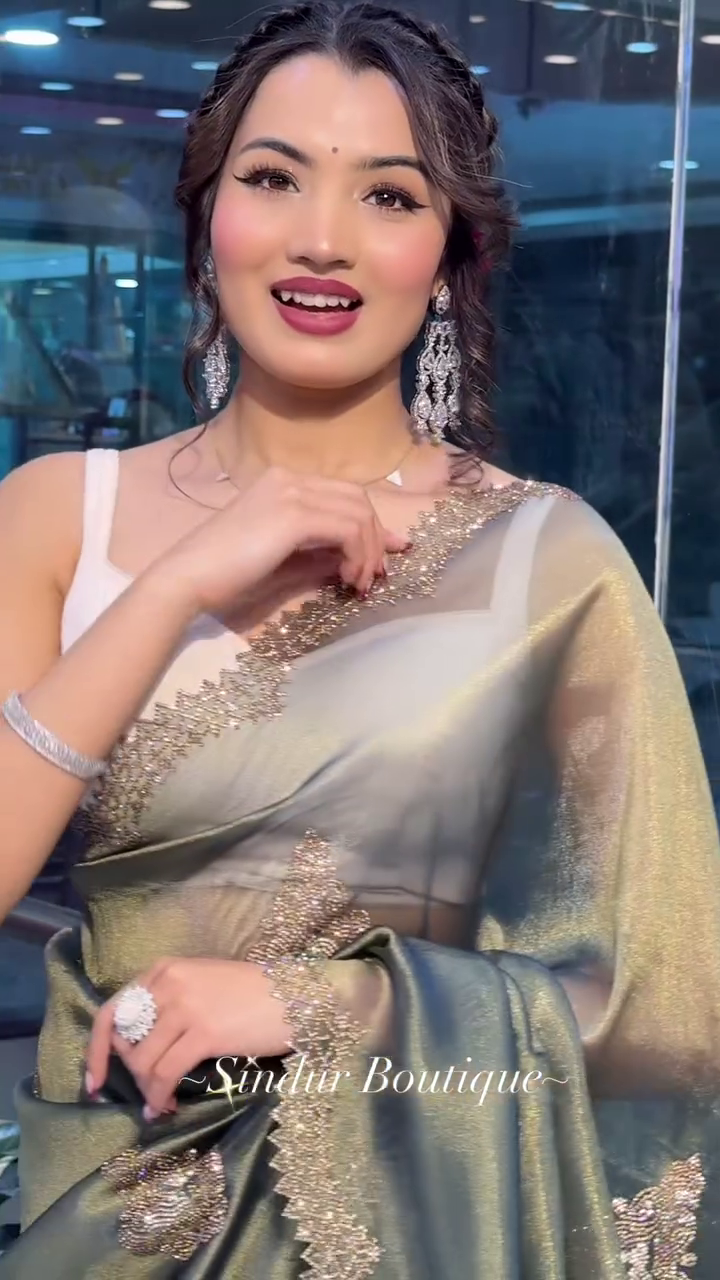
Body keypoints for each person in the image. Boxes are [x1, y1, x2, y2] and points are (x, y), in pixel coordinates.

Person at [0, 3, 719, 1276]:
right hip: (106, 1196)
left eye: (389, 195)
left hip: (414, 1216)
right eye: (273, 177)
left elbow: (666, 996)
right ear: (206, 215)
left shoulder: (545, 558)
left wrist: (323, 1003)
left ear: (448, 254)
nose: (321, 237)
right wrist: (175, 582)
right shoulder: (61, 511)